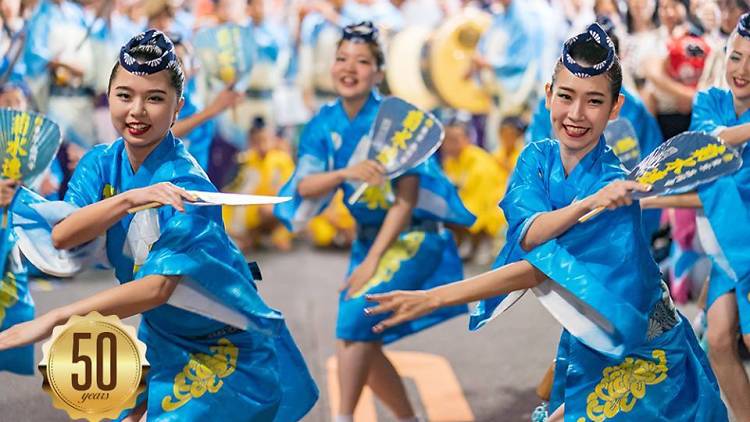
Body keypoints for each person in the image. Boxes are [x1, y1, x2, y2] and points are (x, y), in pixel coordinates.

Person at [366, 23, 727, 422]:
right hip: (590, 334)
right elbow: (531, 233)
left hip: (644, 355)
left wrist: (434, 297)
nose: (575, 114)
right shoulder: (537, 158)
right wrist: (584, 205)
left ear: (615, 108)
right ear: (548, 95)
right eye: (566, 96)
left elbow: (537, 272)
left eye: (593, 102)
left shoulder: (613, 189)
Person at [0, 29, 317, 421]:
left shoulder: (189, 186)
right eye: (125, 95)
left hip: (219, 343)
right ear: (109, 95)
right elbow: (64, 234)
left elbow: (158, 288)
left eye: (154, 98)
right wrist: (130, 198)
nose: (137, 111)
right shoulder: (101, 162)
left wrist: (52, 319)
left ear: (177, 106)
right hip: (163, 334)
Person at [275, 21, 474, 422]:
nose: (349, 68)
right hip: (369, 240)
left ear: (378, 73)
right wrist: (345, 174)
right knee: (359, 337)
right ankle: (408, 419)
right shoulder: (324, 122)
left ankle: (343, 417)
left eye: (362, 61)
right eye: (342, 58)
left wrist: (371, 262)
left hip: (412, 236)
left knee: (351, 327)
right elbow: (306, 186)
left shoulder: (397, 119)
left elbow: (406, 200)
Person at [657, 12, 750, 420]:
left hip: (741, 248)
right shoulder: (710, 102)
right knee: (718, 343)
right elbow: (706, 149)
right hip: (728, 252)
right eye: (735, 57)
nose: (742, 71)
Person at [440, 111, 506, 265]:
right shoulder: (451, 161)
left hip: (494, 208)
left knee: (453, 215)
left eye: (454, 140)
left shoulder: (479, 165)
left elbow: (481, 204)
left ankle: (473, 248)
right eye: (446, 140)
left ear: (467, 140)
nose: (448, 145)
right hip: (472, 204)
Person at [223, 116, 294, 251]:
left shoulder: (281, 160)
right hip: (246, 211)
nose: (262, 146)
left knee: (275, 208)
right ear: (251, 142)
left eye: (266, 140)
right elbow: (230, 191)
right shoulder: (244, 161)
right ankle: (246, 236)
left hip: (266, 207)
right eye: (257, 142)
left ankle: (270, 235)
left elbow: (290, 191)